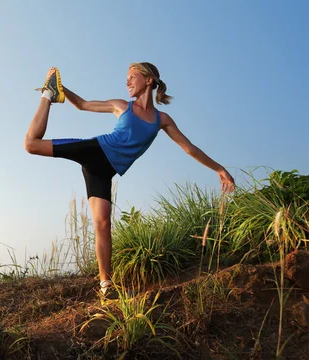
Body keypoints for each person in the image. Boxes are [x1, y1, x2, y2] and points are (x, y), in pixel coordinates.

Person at [24, 63, 235, 295]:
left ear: (149, 80)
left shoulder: (162, 119)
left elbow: (189, 148)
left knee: (103, 224)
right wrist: (60, 89)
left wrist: (219, 169)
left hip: (103, 172)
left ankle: (105, 286)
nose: (127, 82)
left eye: (131, 77)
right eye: (126, 78)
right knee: (31, 145)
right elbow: (83, 105)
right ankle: (47, 94)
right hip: (95, 151)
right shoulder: (121, 106)